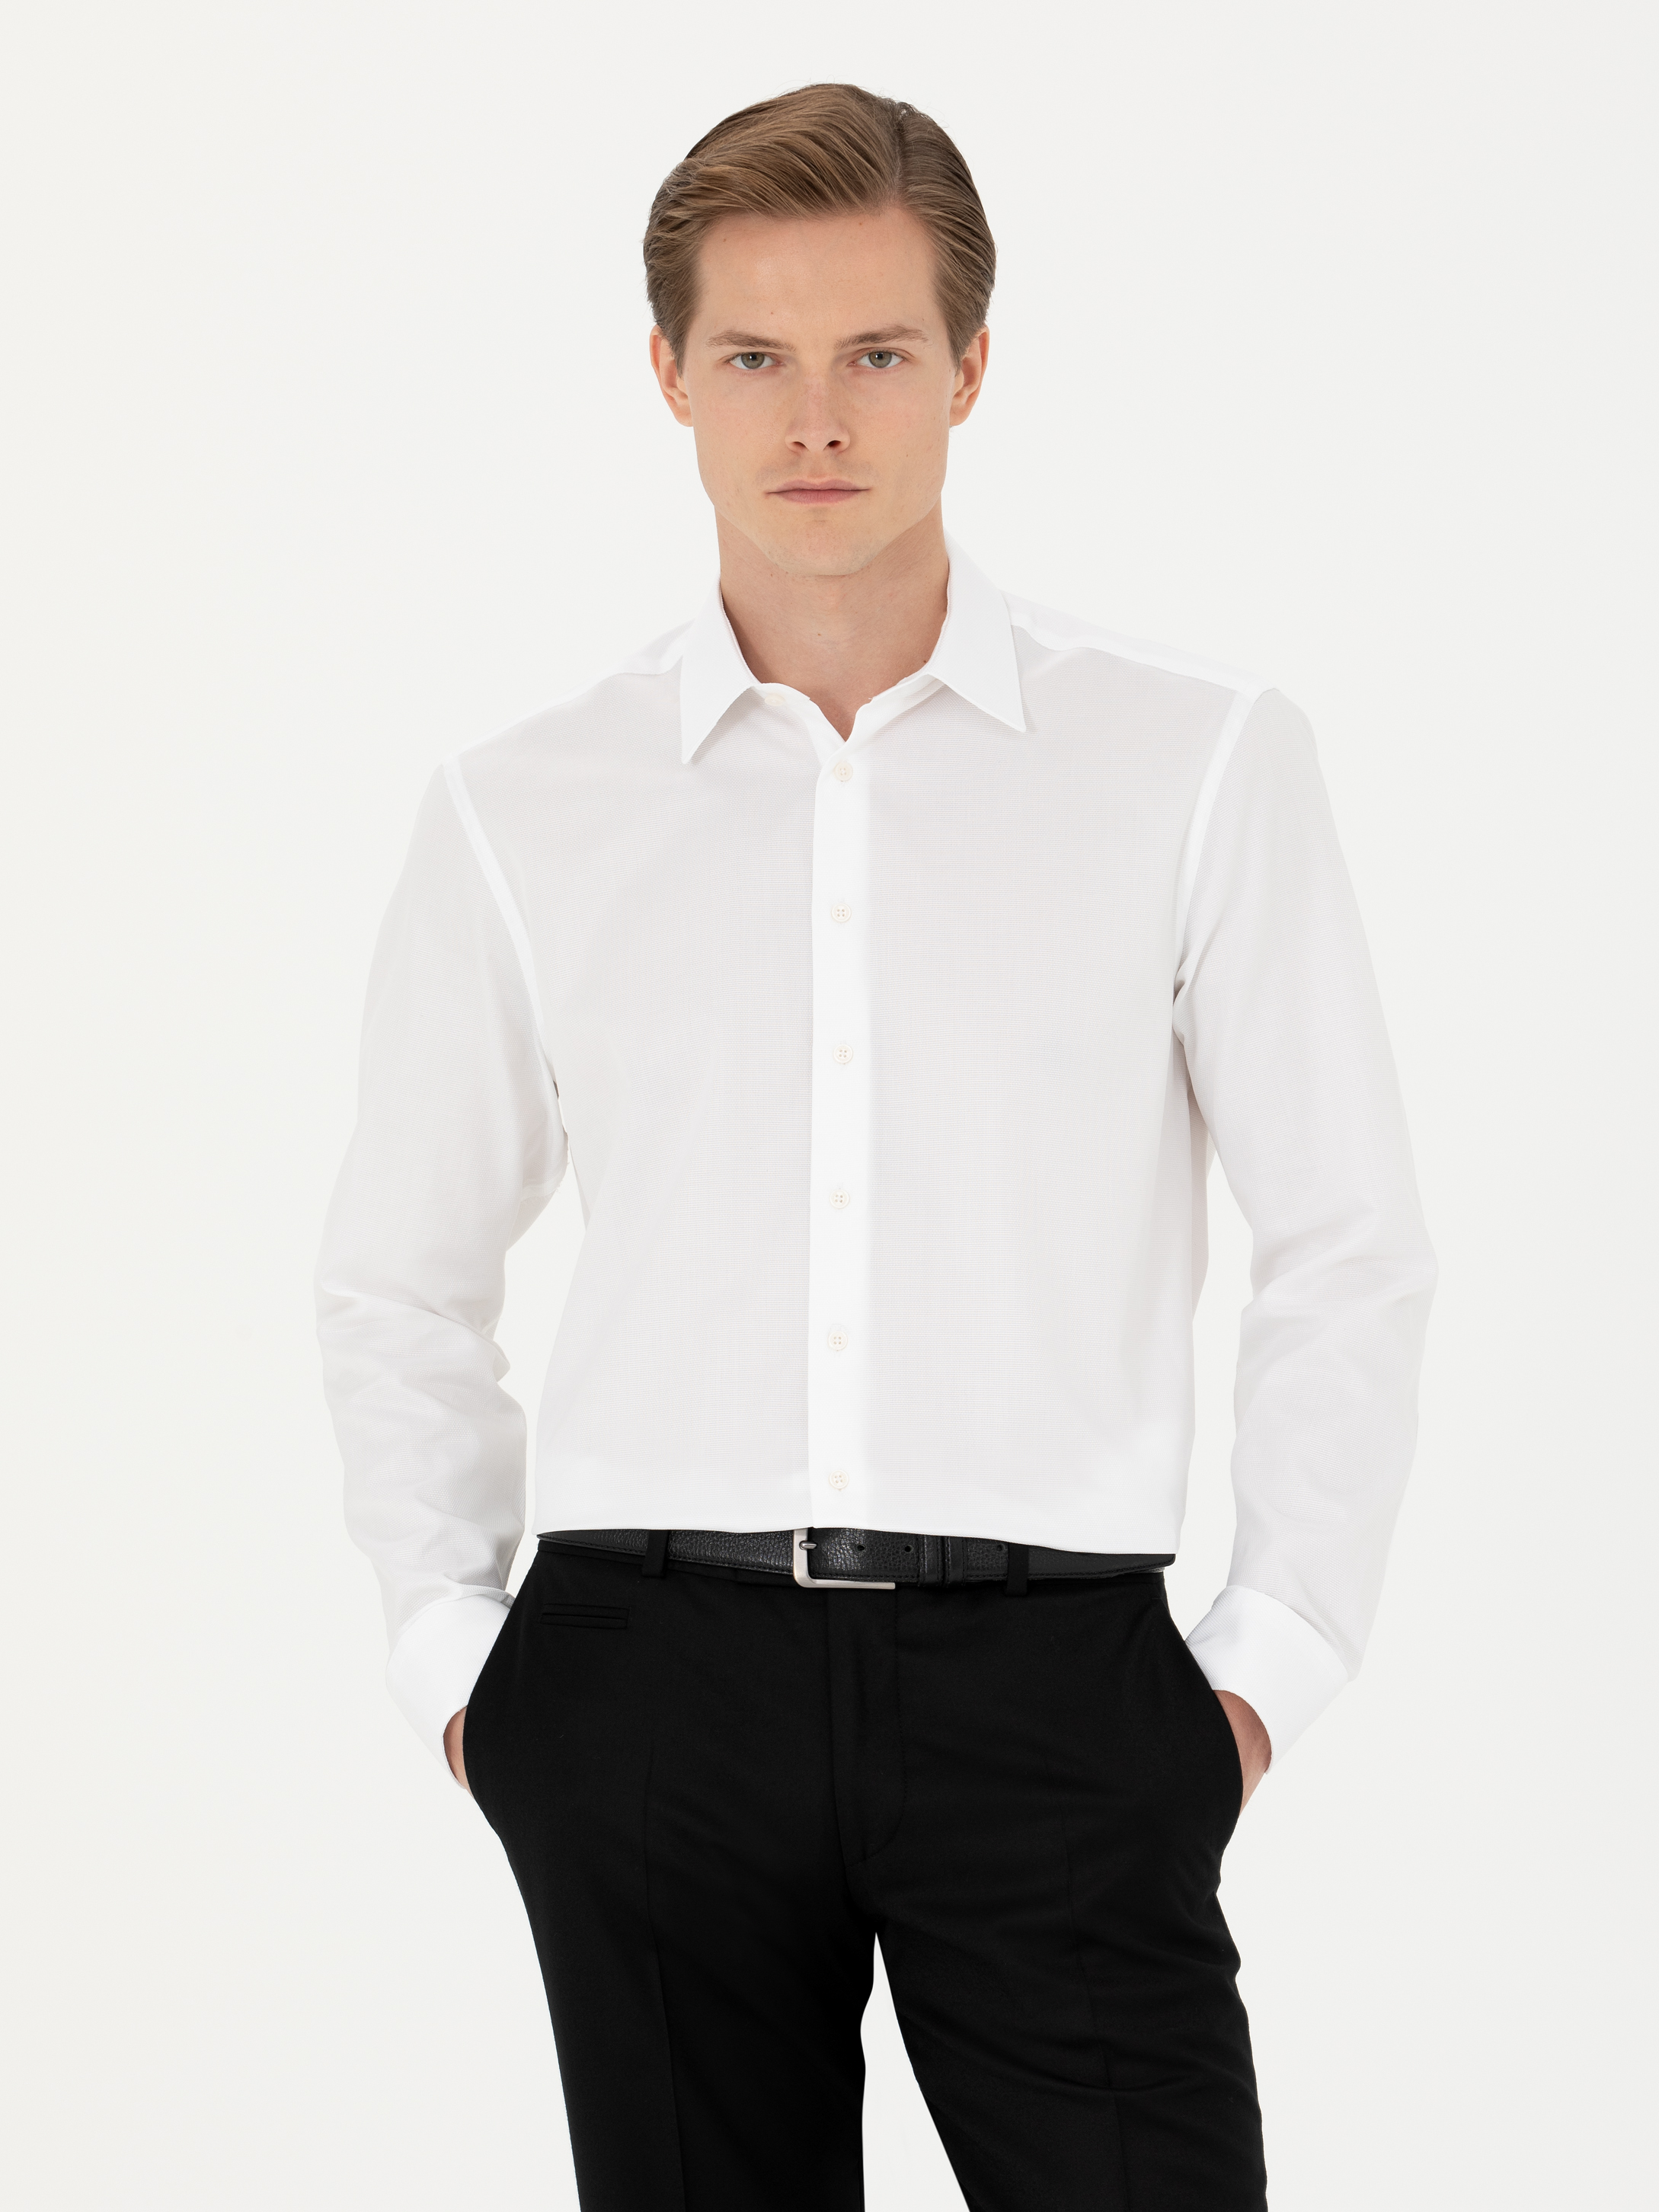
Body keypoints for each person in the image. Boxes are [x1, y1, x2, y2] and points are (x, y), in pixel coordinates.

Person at [317, 82, 1435, 2212]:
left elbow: (1348, 1239)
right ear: (669, 376)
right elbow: (398, 1276)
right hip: (646, 1689)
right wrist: (466, 1669)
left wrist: (1258, 1677)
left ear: (970, 368)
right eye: (753, 355)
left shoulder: (1194, 760)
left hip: (1061, 1693)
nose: (814, 418)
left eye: (876, 353)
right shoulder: (521, 803)